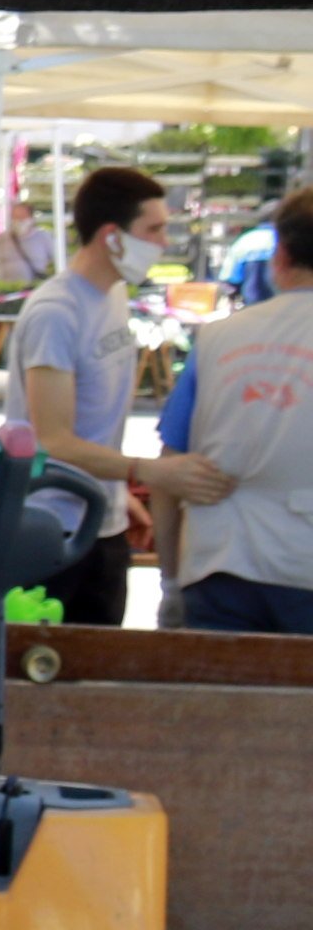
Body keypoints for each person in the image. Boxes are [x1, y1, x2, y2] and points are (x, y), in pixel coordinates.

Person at [143, 185, 313, 633]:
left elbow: (169, 470)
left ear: (280, 258)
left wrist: (170, 582)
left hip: (219, 565)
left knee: (218, 701)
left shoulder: (217, 339)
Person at [10, 162, 170, 628]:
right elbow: (54, 441)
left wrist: (119, 495)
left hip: (103, 522)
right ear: (112, 236)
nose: (163, 242)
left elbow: (93, 427)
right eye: (154, 229)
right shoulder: (56, 313)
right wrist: (150, 472)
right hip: (50, 532)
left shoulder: (114, 295)